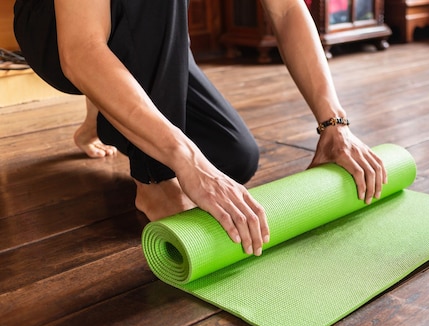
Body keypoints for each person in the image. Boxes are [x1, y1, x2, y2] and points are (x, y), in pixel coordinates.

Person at [13, 0, 387, 257]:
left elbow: (287, 9)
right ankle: (154, 183)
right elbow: (80, 49)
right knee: (188, 166)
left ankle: (104, 114)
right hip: (58, 32)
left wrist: (334, 124)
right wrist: (181, 161)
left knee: (233, 157)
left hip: (142, 35)